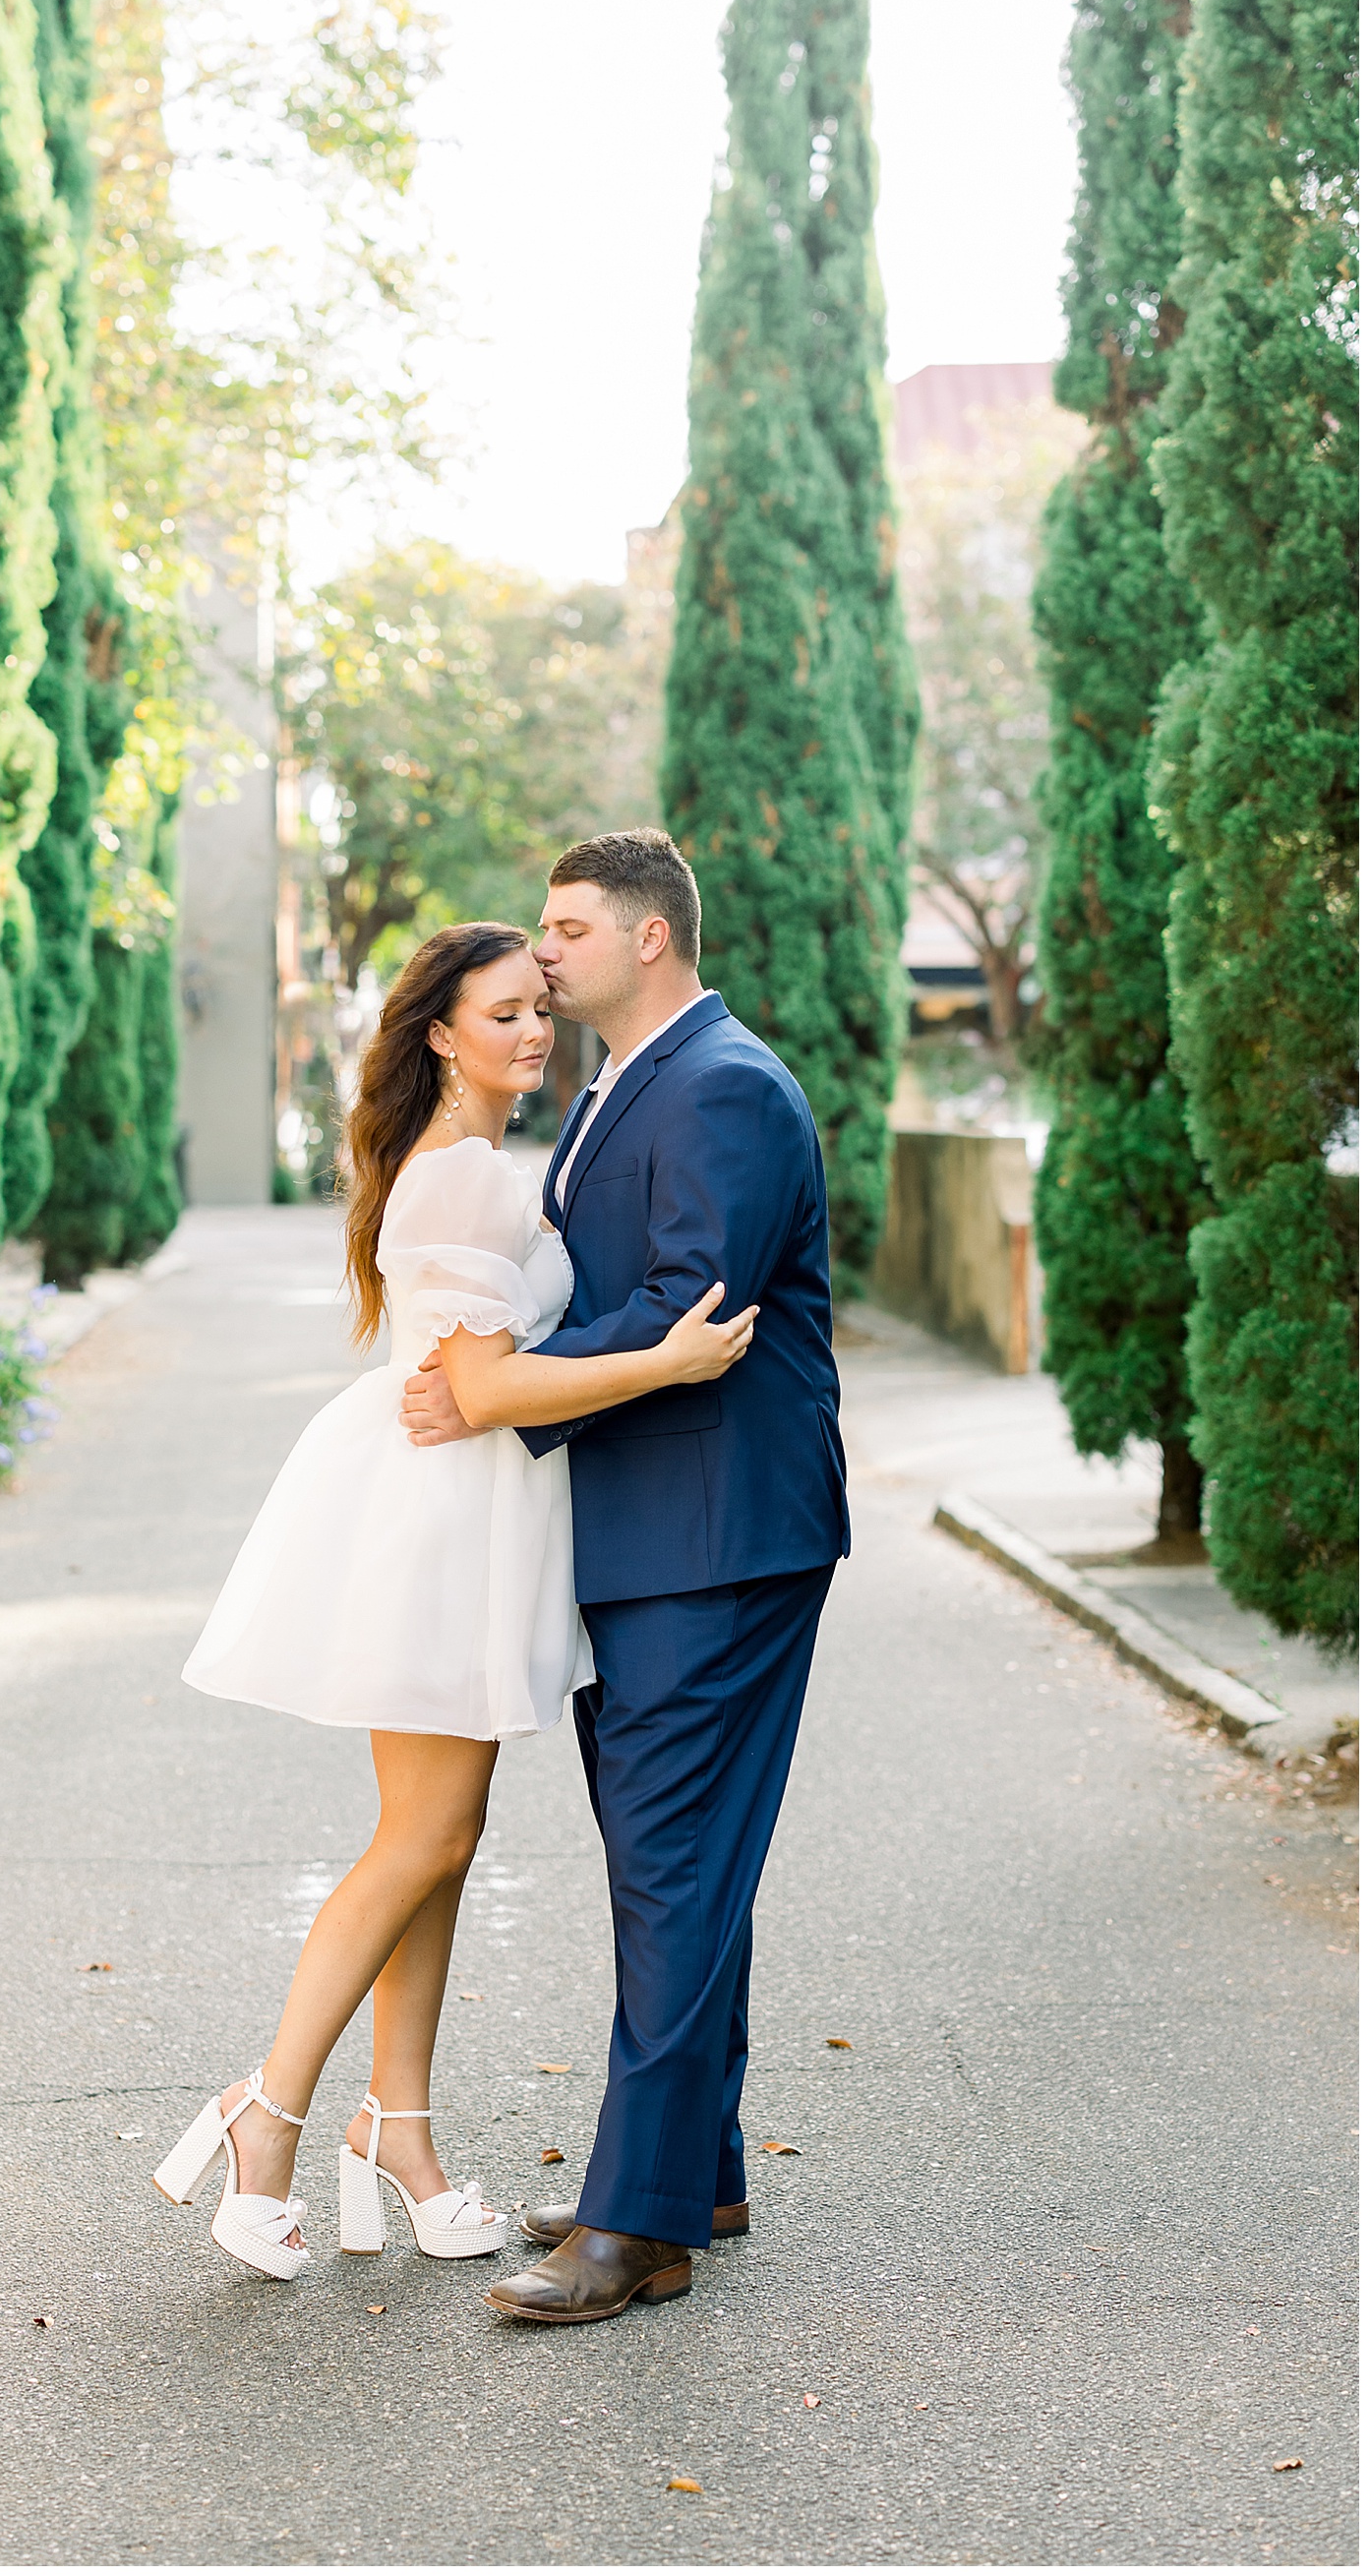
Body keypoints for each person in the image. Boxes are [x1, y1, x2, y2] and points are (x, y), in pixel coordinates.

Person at [154, 920, 757, 2284]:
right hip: (441, 1519)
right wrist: (665, 1362)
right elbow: (488, 1388)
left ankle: (402, 2129)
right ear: (438, 1032)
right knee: (419, 1837)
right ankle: (271, 2114)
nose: (533, 1031)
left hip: (456, 1509)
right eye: (501, 1014)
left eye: (538, 1007)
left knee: (440, 1834)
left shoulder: (475, 1168)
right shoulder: (467, 1180)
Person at [401, 830, 850, 2325]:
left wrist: (497, 1381)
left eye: (567, 927)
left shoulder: (720, 1084)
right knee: (681, 1864)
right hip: (662, 1531)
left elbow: (687, 1305)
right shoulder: (622, 1082)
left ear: (649, 937)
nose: (544, 953)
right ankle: (695, 2171)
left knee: (669, 1867)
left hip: (721, 1538)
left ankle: (638, 2224)